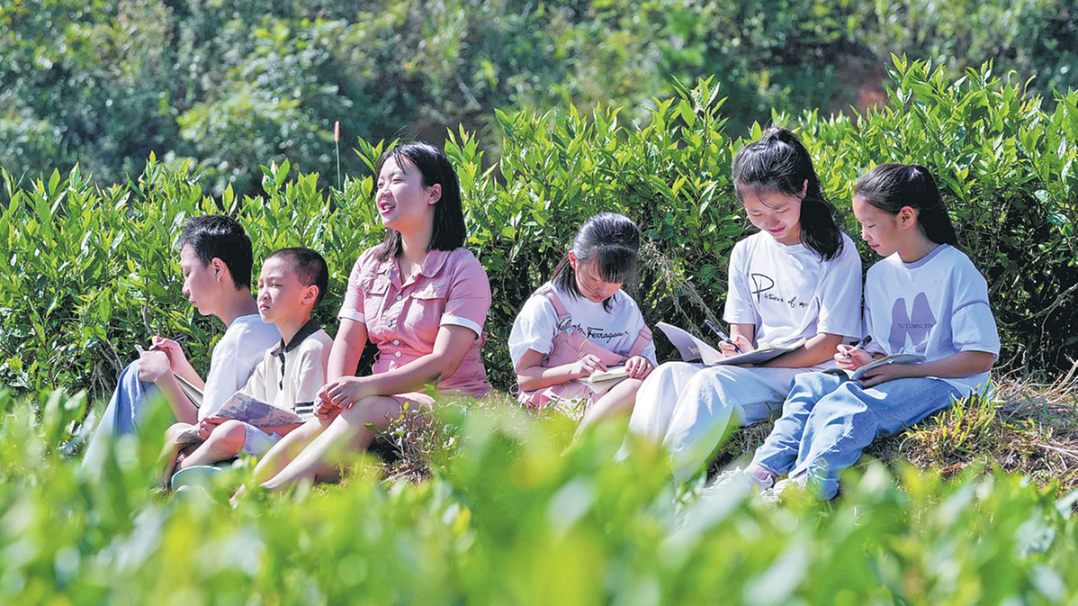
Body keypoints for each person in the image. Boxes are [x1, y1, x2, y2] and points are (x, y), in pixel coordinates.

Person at [718, 163, 999, 500]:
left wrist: (902, 371)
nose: (864, 235)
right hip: (898, 378)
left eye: (870, 225)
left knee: (849, 404)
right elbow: (883, 348)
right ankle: (761, 470)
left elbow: (980, 358)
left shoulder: (956, 268)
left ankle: (807, 489)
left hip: (950, 384)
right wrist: (865, 359)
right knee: (811, 385)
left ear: (906, 217)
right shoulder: (880, 275)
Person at [234, 141, 491, 498]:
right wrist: (335, 393)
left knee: (366, 407)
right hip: (382, 401)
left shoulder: (464, 269)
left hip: (448, 405)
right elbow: (348, 339)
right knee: (320, 423)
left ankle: (271, 493)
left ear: (433, 193)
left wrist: (364, 387)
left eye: (396, 180)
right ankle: (239, 495)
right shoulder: (370, 264)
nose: (383, 191)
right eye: (380, 182)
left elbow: (442, 365)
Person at [619, 127, 863, 482]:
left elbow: (829, 343)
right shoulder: (746, 251)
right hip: (754, 369)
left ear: (803, 190)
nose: (770, 222)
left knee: (712, 384)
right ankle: (623, 473)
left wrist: (759, 362)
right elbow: (741, 334)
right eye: (755, 213)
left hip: (808, 373)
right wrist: (736, 349)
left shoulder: (835, 251)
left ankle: (665, 481)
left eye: (779, 209)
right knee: (667, 375)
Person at [81, 215, 280, 474]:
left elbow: (205, 431)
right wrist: (183, 370)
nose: (185, 288)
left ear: (217, 269)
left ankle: (89, 485)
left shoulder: (237, 340)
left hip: (231, 456)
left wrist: (164, 377)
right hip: (251, 443)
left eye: (188, 273)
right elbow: (224, 410)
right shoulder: (267, 326)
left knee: (136, 376)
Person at [162, 247, 333, 485]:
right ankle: (207, 471)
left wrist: (233, 427)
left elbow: (311, 427)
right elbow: (241, 405)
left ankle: (180, 470)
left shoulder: (314, 347)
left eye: (275, 285)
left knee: (230, 432)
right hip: (262, 440)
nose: (263, 294)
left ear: (308, 294)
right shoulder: (272, 355)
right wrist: (215, 423)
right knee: (178, 429)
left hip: (293, 447)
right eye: (260, 285)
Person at [509, 212, 657, 431]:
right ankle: (580, 443)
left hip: (610, 408)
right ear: (573, 260)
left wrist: (641, 364)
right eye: (595, 278)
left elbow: (651, 372)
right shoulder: (548, 305)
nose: (603, 289)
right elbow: (526, 378)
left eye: (615, 280)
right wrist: (574, 369)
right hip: (555, 410)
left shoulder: (627, 309)